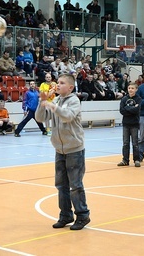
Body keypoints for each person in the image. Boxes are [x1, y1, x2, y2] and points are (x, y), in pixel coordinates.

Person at [35, 73, 91, 230]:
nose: (57, 85)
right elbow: (40, 118)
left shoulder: (74, 101)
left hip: (74, 149)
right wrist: (43, 101)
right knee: (61, 185)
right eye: (57, 82)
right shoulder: (56, 100)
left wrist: (52, 106)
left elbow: (67, 116)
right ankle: (65, 215)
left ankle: (82, 215)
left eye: (61, 83)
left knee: (75, 185)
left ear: (71, 87)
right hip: (60, 149)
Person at [117, 83, 141, 167]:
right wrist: (132, 108)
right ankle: (125, 160)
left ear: (136, 89)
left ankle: (137, 159)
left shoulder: (138, 99)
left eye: (132, 88)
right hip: (126, 124)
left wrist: (127, 108)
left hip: (134, 124)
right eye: (129, 88)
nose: (130, 90)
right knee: (125, 143)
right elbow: (122, 110)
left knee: (135, 143)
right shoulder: (124, 99)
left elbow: (137, 110)